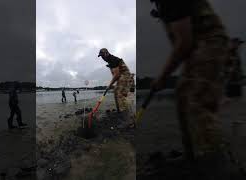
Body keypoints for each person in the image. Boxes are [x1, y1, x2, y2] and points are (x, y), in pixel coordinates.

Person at [149, 0, 240, 175]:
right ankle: (193, 157)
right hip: (198, 48)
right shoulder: (163, 5)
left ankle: (216, 164)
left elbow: (184, 42)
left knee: (196, 100)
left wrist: (162, 77)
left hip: (211, 44)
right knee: (183, 94)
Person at [98, 48, 133, 127]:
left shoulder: (112, 59)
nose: (102, 58)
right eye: (101, 56)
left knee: (118, 94)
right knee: (116, 93)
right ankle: (122, 114)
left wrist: (110, 85)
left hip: (125, 76)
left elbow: (117, 75)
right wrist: (112, 85)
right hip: (122, 77)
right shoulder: (110, 62)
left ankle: (128, 121)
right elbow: (116, 75)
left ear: (107, 53)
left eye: (103, 55)